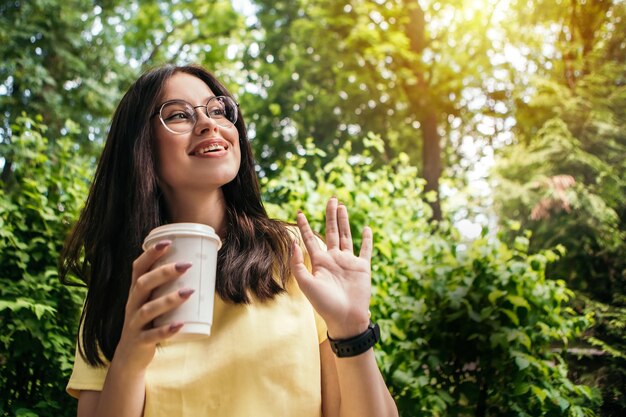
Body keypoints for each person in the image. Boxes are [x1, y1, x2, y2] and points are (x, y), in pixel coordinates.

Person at [60, 64, 399, 417]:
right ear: (140, 147)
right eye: (178, 115)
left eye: (218, 110)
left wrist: (352, 332)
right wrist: (129, 357)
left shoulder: (294, 255)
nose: (209, 123)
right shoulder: (119, 287)